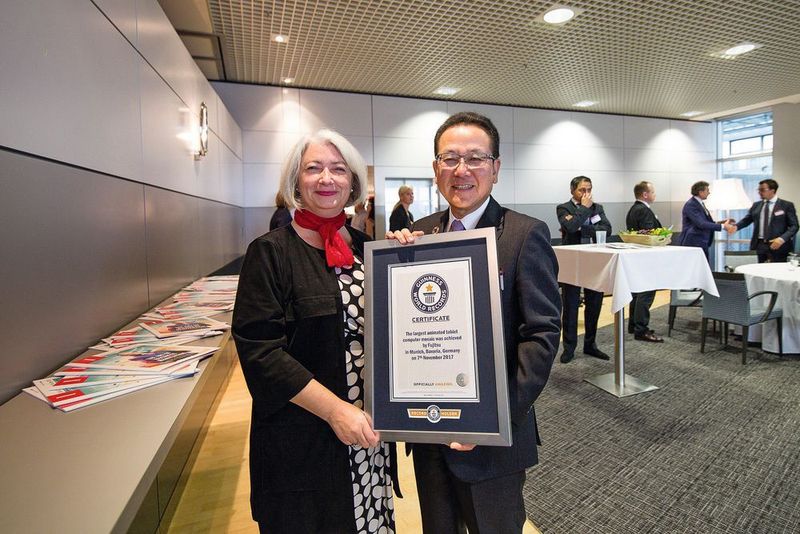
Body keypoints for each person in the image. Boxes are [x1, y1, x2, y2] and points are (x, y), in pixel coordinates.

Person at [388, 112, 561, 534]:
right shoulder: (420, 234)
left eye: (476, 158)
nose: (461, 170)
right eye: (449, 159)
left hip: (492, 443)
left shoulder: (524, 235)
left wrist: (493, 418)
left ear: (496, 168)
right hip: (428, 432)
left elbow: (541, 337)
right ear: (435, 170)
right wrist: (394, 266)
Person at [232, 129, 396, 533]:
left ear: (353, 183)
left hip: (368, 436)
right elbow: (261, 353)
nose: (327, 179)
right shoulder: (269, 253)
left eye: (339, 170)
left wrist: (410, 256)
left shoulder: (367, 248)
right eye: (314, 168)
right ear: (296, 182)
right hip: (302, 441)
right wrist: (336, 411)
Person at [557, 176, 612, 363]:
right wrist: (584, 211)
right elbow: (571, 227)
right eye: (582, 190)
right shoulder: (564, 208)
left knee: (594, 304)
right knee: (571, 305)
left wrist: (583, 228)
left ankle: (590, 344)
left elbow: (607, 229)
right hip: (572, 262)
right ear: (572, 190)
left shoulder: (599, 208)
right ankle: (569, 348)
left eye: (589, 189)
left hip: (594, 261)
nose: (586, 194)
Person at [625, 181, 664, 342]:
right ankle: (641, 329)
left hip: (636, 256)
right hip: (647, 257)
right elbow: (650, 235)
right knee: (646, 293)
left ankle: (634, 325)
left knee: (636, 292)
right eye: (653, 192)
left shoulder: (633, 210)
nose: (655, 195)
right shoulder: (644, 211)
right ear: (645, 194)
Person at [731, 179, 798, 263]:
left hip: (778, 245)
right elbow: (747, 220)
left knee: (777, 272)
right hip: (759, 245)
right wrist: (736, 227)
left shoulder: (786, 205)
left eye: (762, 190)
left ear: (772, 190)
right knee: (758, 271)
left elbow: (794, 226)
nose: (759, 192)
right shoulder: (756, 205)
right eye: (758, 190)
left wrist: (781, 239)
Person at [677, 181, 735, 259]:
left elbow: (707, 222)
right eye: (707, 190)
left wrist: (723, 222)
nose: (709, 192)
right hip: (694, 243)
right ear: (700, 192)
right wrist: (723, 226)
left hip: (701, 242)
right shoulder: (691, 205)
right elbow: (701, 224)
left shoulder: (700, 204)